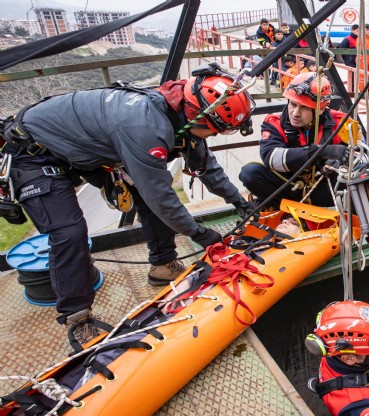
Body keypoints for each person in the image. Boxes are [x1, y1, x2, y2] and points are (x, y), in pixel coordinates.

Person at [0, 63, 253, 344]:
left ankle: (163, 265)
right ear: (197, 118)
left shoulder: (180, 111)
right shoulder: (145, 127)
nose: (216, 136)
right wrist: (198, 233)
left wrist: (239, 202)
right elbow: (161, 196)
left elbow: (206, 167)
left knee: (148, 196)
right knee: (68, 232)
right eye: (216, 130)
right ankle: (78, 319)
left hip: (76, 149)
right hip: (34, 154)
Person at [238, 72, 349, 208]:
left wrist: (339, 162)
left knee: (354, 176)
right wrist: (319, 152)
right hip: (289, 188)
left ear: (320, 109)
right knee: (250, 173)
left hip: (323, 189)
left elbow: (363, 156)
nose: (295, 113)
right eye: (293, 104)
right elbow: (271, 158)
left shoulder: (341, 123)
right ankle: (288, 210)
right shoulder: (274, 124)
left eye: (304, 108)